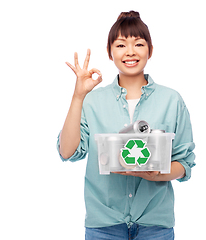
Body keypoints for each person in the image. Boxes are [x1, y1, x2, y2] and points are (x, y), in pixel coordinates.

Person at [57, 10, 195, 240]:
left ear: (150, 50)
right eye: (121, 45)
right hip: (103, 225)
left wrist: (156, 175)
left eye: (138, 44)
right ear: (110, 53)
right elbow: (67, 152)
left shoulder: (171, 100)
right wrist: (78, 96)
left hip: (155, 225)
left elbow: (184, 163)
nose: (130, 52)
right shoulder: (93, 101)